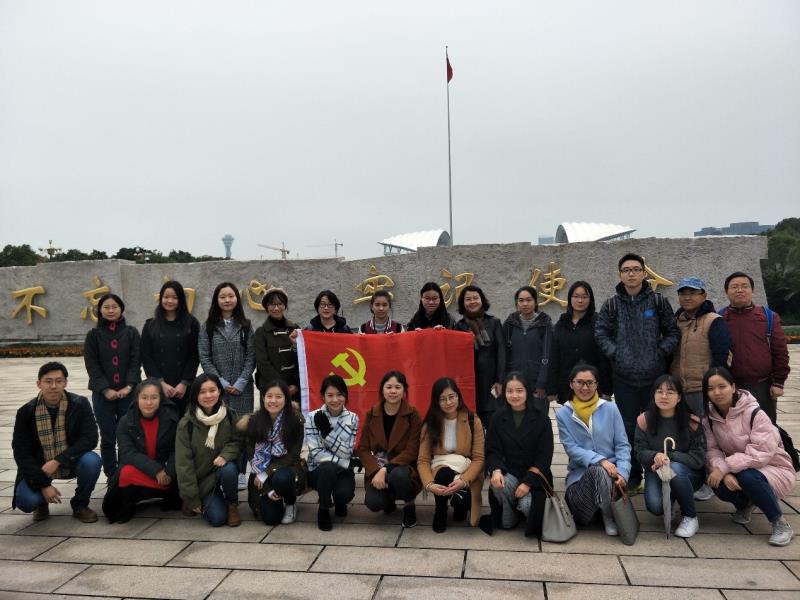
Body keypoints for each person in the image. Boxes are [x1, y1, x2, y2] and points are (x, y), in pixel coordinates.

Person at [595, 253, 679, 492]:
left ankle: (660, 473)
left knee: (657, 425)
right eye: (626, 270)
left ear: (644, 273)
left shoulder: (657, 302)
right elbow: (601, 333)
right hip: (624, 379)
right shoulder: (612, 304)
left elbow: (673, 332)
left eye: (635, 269)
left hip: (654, 377)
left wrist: (659, 352)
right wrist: (616, 353)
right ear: (619, 274)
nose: (631, 274)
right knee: (627, 428)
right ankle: (631, 475)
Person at [703, 367, 795, 546]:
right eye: (710, 389)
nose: (717, 392)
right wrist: (724, 472)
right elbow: (711, 451)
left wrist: (724, 467)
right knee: (717, 483)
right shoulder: (709, 419)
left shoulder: (754, 413)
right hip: (739, 467)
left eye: (722, 386)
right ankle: (746, 504)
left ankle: (780, 523)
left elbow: (760, 454)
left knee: (748, 477)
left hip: (774, 467)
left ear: (733, 387)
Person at [12, 362, 101, 523]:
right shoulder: (26, 412)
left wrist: (58, 460)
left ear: (65, 382)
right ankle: (41, 504)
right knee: (27, 501)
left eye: (59, 381)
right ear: (39, 383)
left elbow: (90, 438)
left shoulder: (80, 404)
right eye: (48, 381)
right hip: (39, 466)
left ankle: (80, 505)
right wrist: (44, 485)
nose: (53, 386)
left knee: (92, 461)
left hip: (70, 460)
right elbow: (21, 453)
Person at [556, 363, 631, 536]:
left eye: (590, 383)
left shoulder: (611, 408)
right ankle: (608, 516)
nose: (584, 387)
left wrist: (623, 472)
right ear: (571, 384)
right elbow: (572, 449)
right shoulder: (563, 414)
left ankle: (606, 511)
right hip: (580, 484)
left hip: (612, 480)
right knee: (598, 471)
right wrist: (600, 460)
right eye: (579, 382)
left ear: (597, 384)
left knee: (604, 475)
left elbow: (622, 445)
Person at [198, 282, 256, 490]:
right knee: (221, 430)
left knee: (242, 430)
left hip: (243, 389)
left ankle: (240, 472)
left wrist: (241, 381)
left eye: (231, 296)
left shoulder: (246, 326)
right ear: (217, 300)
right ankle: (220, 471)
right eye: (222, 296)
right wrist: (221, 383)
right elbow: (205, 357)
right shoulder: (208, 327)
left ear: (237, 299)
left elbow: (251, 356)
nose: (227, 300)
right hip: (217, 390)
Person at [633, 375, 706, 538]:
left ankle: (690, 516)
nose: (664, 396)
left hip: (688, 474)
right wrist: (654, 455)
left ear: (679, 397)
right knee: (656, 507)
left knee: (675, 468)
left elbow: (698, 458)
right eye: (659, 391)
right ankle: (672, 499)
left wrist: (669, 457)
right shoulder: (644, 420)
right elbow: (639, 451)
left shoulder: (692, 422)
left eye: (670, 392)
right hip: (656, 471)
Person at [102, 378, 181, 523]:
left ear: (160, 399)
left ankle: (170, 495)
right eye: (144, 397)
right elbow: (128, 453)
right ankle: (127, 506)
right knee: (126, 472)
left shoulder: (171, 419)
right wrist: (156, 470)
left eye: (154, 397)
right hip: (143, 471)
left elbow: (177, 449)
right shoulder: (126, 422)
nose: (149, 402)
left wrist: (169, 471)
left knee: (183, 471)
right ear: (137, 398)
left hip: (166, 472)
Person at [484, 372, 552, 537]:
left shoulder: (542, 419)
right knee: (498, 484)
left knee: (528, 506)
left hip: (534, 476)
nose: (514, 395)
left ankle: (521, 506)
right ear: (504, 393)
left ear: (527, 391)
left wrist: (528, 482)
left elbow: (544, 457)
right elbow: (492, 450)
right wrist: (496, 470)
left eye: (519, 391)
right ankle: (510, 517)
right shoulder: (498, 417)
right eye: (510, 391)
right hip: (510, 472)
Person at [720, 271, 790, 423]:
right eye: (734, 287)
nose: (739, 290)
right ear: (726, 292)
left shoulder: (768, 317)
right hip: (731, 386)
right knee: (733, 429)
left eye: (744, 286)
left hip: (762, 386)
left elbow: (780, 352)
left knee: (765, 428)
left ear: (752, 290)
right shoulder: (719, 318)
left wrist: (778, 382)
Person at [84, 292, 142, 477]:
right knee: (108, 437)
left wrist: (129, 386)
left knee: (127, 435)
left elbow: (136, 361)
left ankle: (125, 475)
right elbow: (92, 364)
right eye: (106, 307)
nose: (111, 310)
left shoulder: (131, 333)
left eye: (114, 307)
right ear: (99, 310)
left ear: (121, 309)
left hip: (128, 394)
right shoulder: (93, 335)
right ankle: (111, 476)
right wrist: (105, 389)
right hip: (102, 396)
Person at [356, 371, 422, 528]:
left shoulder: (413, 414)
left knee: (399, 475)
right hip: (378, 466)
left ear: (404, 391)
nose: (393, 391)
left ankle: (409, 505)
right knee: (374, 503)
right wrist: (375, 471)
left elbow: (413, 449)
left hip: (403, 466)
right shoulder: (372, 414)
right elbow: (363, 448)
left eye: (398, 387)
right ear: (382, 390)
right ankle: (389, 500)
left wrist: (386, 469)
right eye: (389, 387)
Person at [418, 378, 485, 533]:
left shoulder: (472, 420)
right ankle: (440, 510)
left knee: (463, 501)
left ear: (458, 396)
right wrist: (429, 485)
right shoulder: (430, 423)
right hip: (440, 470)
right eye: (442, 399)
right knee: (444, 474)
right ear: (436, 401)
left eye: (451, 397)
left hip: (466, 471)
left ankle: (459, 506)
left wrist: (463, 480)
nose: (448, 402)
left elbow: (479, 458)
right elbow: (423, 460)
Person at [175, 374, 242, 527]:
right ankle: (196, 500)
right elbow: (184, 465)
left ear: (219, 391)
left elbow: (238, 441)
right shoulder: (186, 424)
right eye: (202, 392)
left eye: (212, 390)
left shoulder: (229, 415)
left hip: (221, 469)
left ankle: (232, 504)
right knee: (218, 519)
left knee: (229, 469)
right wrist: (192, 498)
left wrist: (225, 455)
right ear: (195, 395)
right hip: (202, 479)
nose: (208, 396)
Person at [240, 380, 305, 526]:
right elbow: (251, 455)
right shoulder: (253, 421)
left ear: (286, 399)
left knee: (282, 478)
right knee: (271, 519)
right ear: (263, 398)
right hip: (260, 472)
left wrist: (267, 473)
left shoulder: (295, 420)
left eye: (278, 396)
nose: (273, 401)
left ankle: (290, 503)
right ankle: (272, 494)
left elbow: (293, 455)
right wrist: (268, 489)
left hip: (286, 468)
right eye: (269, 396)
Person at [670, 277, 730, 416]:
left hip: (702, 389)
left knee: (706, 426)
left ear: (704, 295)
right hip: (678, 388)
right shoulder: (675, 322)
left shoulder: (714, 320)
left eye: (692, 293)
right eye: (683, 294)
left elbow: (721, 357)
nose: (687, 297)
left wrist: (714, 386)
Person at [305, 375, 359, 531]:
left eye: (339, 394)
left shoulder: (353, 418)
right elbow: (316, 453)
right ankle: (323, 508)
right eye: (330, 395)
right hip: (318, 470)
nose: (335, 399)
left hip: (342, 470)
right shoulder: (312, 417)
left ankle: (339, 501)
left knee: (344, 494)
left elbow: (347, 452)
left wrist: (327, 433)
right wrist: (346, 462)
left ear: (345, 396)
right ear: (323, 397)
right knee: (328, 467)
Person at [140, 280, 200, 416]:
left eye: (174, 297)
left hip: (183, 387)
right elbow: (146, 357)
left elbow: (194, 355)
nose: (170, 301)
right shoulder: (150, 325)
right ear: (161, 298)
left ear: (181, 300)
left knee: (184, 421)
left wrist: (184, 383)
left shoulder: (191, 323)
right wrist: (160, 383)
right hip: (158, 386)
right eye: (166, 297)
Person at [547, 281, 612, 404]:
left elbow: (604, 358)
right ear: (570, 298)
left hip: (593, 387)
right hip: (567, 386)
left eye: (584, 297)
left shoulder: (599, 322)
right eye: (576, 296)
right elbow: (554, 357)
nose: (580, 300)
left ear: (590, 299)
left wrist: (607, 390)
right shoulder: (561, 324)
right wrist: (552, 389)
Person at [454, 285, 506, 427]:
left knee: (493, 426)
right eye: (468, 299)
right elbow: (455, 356)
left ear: (482, 300)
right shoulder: (459, 326)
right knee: (472, 427)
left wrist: (500, 380)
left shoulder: (494, 323)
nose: (472, 302)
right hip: (469, 384)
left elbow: (501, 353)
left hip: (491, 383)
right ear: (463, 303)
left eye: (475, 298)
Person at [503, 286, 552, 413]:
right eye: (521, 300)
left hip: (536, 381)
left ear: (535, 302)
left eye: (529, 300)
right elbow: (504, 353)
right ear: (516, 303)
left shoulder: (544, 323)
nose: (525, 304)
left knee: (537, 418)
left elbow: (547, 354)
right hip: (514, 380)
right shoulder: (510, 323)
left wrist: (542, 382)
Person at [254, 287, 300, 404]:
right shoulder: (261, 332)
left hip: (294, 389)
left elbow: (303, 358)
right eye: (272, 304)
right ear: (266, 307)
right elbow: (262, 363)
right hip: (270, 388)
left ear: (285, 306)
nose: (276, 308)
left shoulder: (295, 329)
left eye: (280, 304)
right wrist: (282, 386)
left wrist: (296, 383)